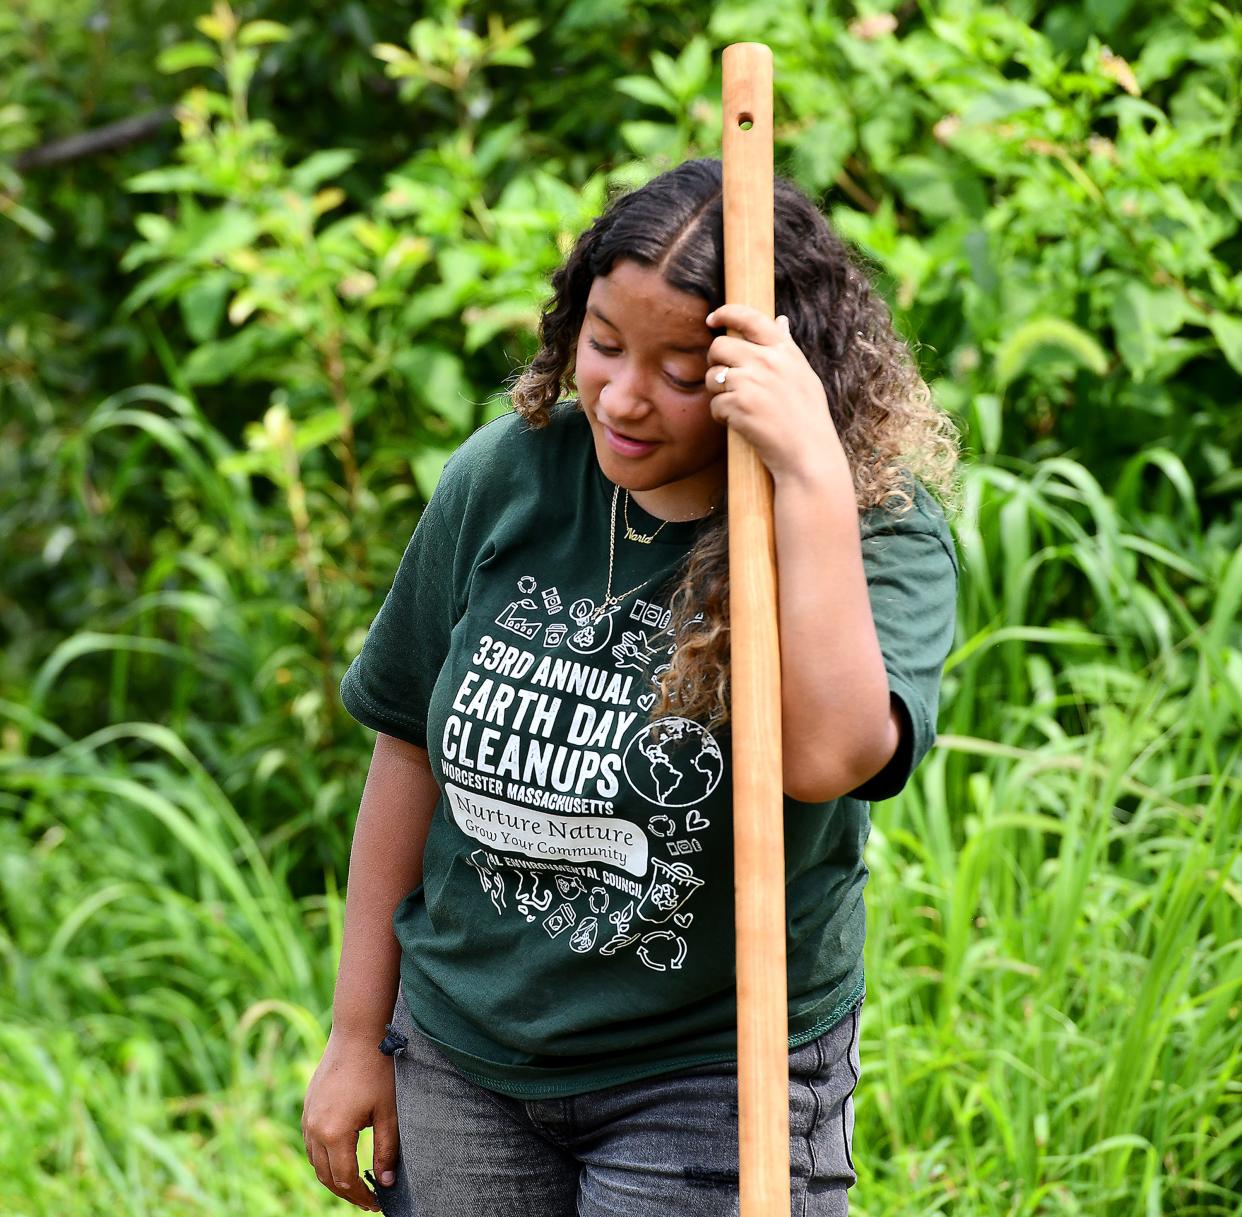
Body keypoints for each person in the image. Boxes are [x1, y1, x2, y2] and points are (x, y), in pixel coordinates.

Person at [301, 156, 960, 1217]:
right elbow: (406, 746)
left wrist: (808, 478)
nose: (622, 394)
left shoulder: (878, 530)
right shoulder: (507, 476)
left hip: (706, 1074)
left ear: (778, 372)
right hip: (464, 1054)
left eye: (682, 368)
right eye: (603, 344)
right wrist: (351, 1034)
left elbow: (828, 757)